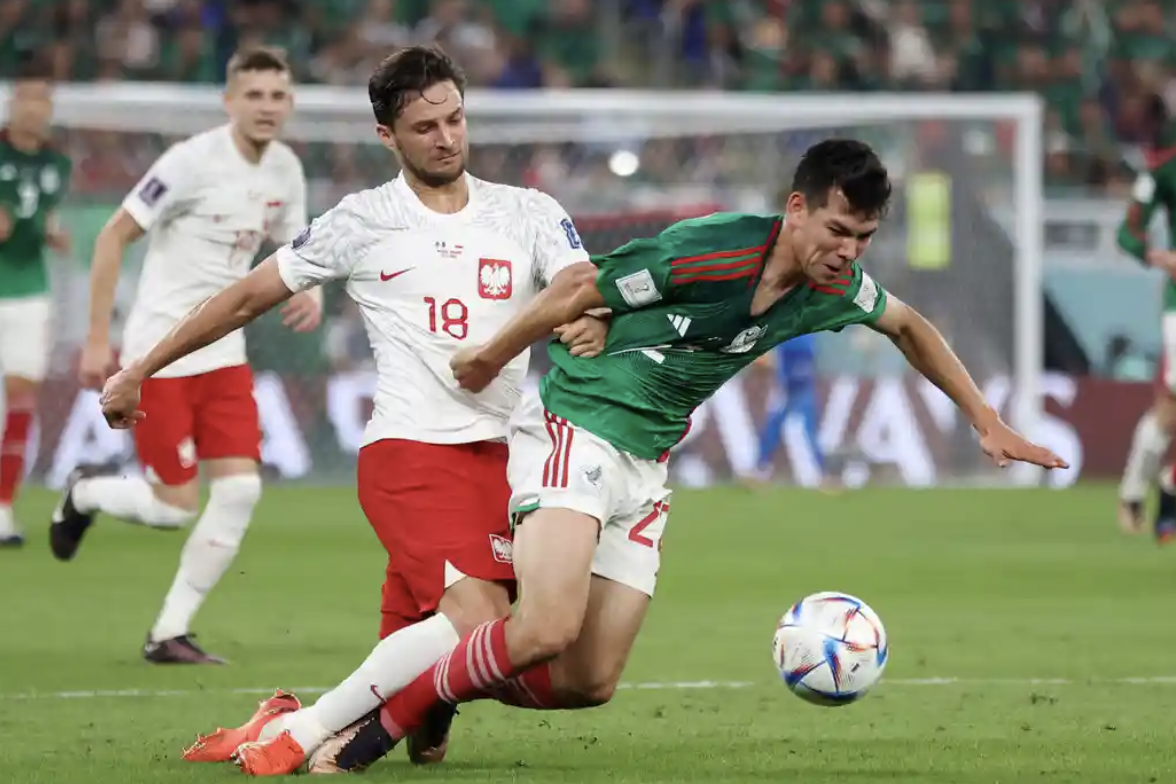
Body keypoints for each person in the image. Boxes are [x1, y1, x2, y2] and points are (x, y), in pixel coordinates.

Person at [103, 138, 1068, 776]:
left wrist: (984, 418)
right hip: (574, 428)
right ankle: (344, 727)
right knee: (541, 624)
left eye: (862, 238)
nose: (847, 253)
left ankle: (407, 693)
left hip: (647, 465)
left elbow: (910, 325)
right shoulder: (709, 253)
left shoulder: (835, 289)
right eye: (836, 230)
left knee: (586, 679)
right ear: (795, 208)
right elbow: (580, 292)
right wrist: (493, 349)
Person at [95, 45, 606, 766]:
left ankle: (308, 714)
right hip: (413, 453)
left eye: (455, 119)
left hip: (512, 458)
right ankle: (299, 737)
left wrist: (589, 318)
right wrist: (140, 367)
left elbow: (580, 283)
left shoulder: (528, 211)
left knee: (447, 721)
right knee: (488, 624)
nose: (446, 137)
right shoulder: (360, 221)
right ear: (387, 138)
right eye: (425, 127)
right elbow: (246, 296)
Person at [53, 46, 321, 664]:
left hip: (225, 352)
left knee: (240, 492)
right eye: (253, 95)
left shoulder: (286, 170)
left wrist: (313, 294)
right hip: (160, 354)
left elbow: (299, 251)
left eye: (277, 96)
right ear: (229, 102)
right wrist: (99, 339)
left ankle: (168, 632)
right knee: (173, 509)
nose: (266, 107)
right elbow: (113, 234)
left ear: (290, 104)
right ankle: (85, 493)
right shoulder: (189, 162)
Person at [0, 55, 71, 547]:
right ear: (11, 102)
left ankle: (3, 509)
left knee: (21, 399)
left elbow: (42, 218)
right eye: (26, 97)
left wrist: (51, 233)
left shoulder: (56, 163)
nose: (33, 108)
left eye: (42, 99)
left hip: (27, 292)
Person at [1115, 93, 1176, 542]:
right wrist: (1159, 256)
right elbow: (1128, 231)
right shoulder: (1163, 171)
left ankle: (1166, 497)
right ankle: (1140, 493)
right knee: (1169, 414)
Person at [753, 334, 833, 487]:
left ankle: (761, 469)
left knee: (784, 423)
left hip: (797, 367)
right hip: (793, 366)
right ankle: (761, 469)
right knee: (786, 424)